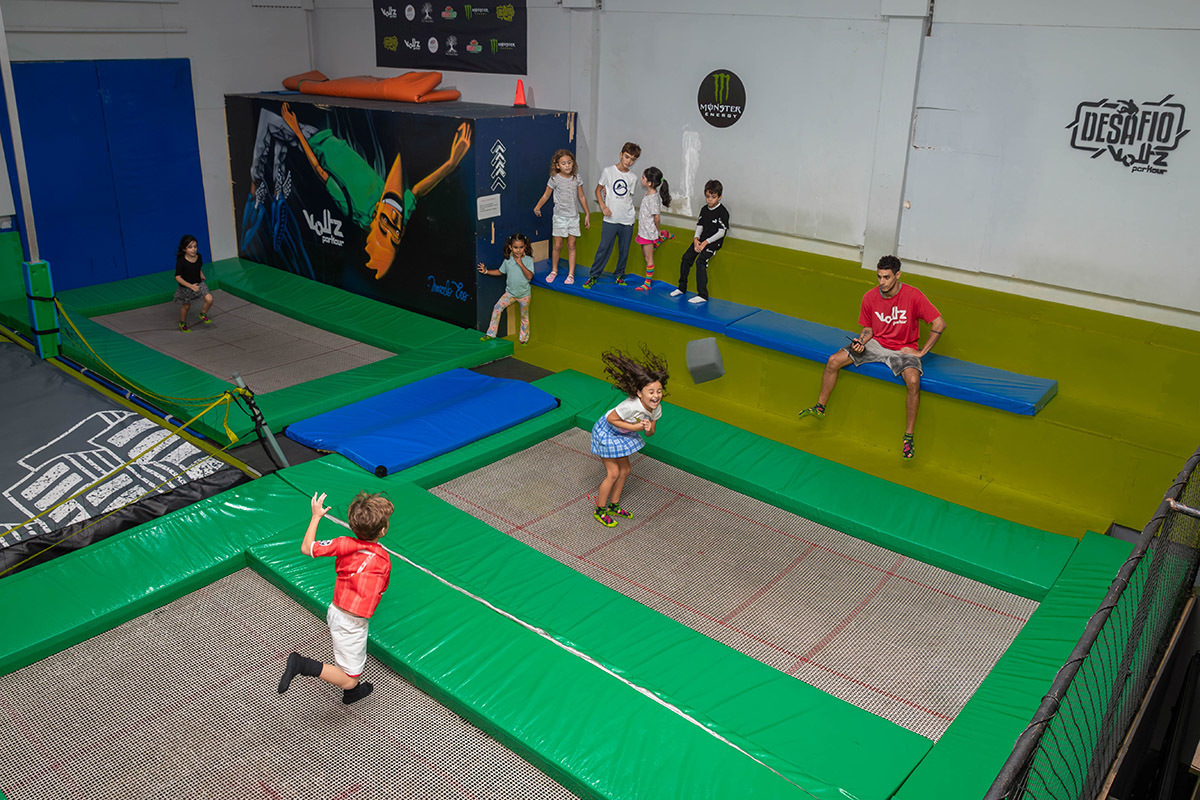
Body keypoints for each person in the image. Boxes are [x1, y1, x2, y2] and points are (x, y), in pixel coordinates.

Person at [276, 102, 472, 280]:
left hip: (315, 142)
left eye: (386, 224)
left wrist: (297, 132)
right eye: (395, 234)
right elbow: (418, 190)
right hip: (338, 136)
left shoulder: (353, 208)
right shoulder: (399, 217)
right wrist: (451, 163)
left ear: (376, 221)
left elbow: (319, 171)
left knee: (270, 124)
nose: (394, 220)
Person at [798, 255, 947, 460]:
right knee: (833, 360)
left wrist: (921, 352)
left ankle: (908, 437)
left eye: (886, 277)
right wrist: (861, 342)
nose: (882, 282)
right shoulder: (869, 297)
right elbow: (868, 329)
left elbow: (939, 323)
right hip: (875, 343)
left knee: (913, 381)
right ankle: (820, 407)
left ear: (897, 275)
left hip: (903, 349)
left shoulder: (914, 296)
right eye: (879, 277)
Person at [278, 490, 394, 705]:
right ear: (384, 530)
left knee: (349, 660)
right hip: (353, 622)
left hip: (336, 610)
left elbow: (307, 548)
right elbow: (382, 589)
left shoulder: (343, 543)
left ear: (353, 526)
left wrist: (316, 516)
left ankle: (352, 694)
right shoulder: (383, 559)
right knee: (350, 678)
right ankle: (303, 665)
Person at [589, 345, 669, 527]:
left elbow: (650, 433)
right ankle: (600, 510)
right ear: (640, 393)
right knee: (613, 472)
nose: (656, 396)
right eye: (651, 392)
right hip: (607, 431)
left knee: (625, 470)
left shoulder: (656, 409)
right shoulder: (631, 406)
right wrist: (634, 426)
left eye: (659, 391)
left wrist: (647, 428)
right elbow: (610, 419)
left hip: (623, 431)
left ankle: (614, 505)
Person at [583, 142, 641, 289]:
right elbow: (598, 190)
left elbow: (628, 197)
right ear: (621, 155)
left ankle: (619, 275)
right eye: (627, 157)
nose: (629, 161)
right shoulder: (608, 171)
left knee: (624, 250)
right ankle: (593, 276)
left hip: (627, 219)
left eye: (632, 159)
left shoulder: (633, 177)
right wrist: (603, 206)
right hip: (610, 218)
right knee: (604, 247)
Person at [533, 149, 590, 285]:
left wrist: (587, 213)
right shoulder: (554, 179)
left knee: (572, 244)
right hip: (559, 217)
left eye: (569, 162)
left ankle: (571, 274)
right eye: (563, 163)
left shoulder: (576, 178)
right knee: (557, 245)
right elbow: (546, 195)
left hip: (573, 217)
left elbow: (581, 196)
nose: (567, 165)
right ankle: (554, 270)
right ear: (558, 165)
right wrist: (537, 207)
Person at [670, 179, 729, 305]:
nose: (710, 200)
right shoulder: (704, 209)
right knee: (686, 258)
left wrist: (705, 243)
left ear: (719, 197)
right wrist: (696, 240)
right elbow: (700, 226)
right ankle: (682, 287)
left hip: (713, 243)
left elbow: (721, 232)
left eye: (713, 197)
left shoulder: (722, 212)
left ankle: (702, 294)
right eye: (708, 196)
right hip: (701, 240)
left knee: (700, 261)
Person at [478, 233, 534, 345]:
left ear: (525, 247)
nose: (518, 250)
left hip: (524, 295)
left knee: (524, 317)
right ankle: (491, 334)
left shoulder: (528, 260)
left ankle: (523, 338)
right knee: (497, 308)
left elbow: (530, 276)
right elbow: (500, 272)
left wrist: (520, 264)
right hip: (510, 294)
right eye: (515, 247)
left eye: (521, 247)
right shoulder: (507, 260)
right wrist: (486, 271)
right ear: (510, 247)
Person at [634, 167, 673, 292]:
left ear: (650, 183)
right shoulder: (649, 194)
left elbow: (656, 217)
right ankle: (661, 237)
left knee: (648, 258)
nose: (641, 179)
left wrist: (657, 231)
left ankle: (647, 283)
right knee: (644, 254)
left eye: (643, 177)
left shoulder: (653, 199)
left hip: (648, 232)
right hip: (644, 230)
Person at [174, 235, 213, 332]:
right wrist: (190, 286)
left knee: (209, 299)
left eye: (195, 247)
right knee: (186, 306)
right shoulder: (181, 261)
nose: (193, 249)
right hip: (186, 287)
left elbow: (198, 267)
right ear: (184, 249)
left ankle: (202, 314)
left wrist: (201, 275)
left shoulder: (198, 256)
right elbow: (177, 277)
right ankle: (182, 323)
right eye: (190, 247)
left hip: (198, 283)